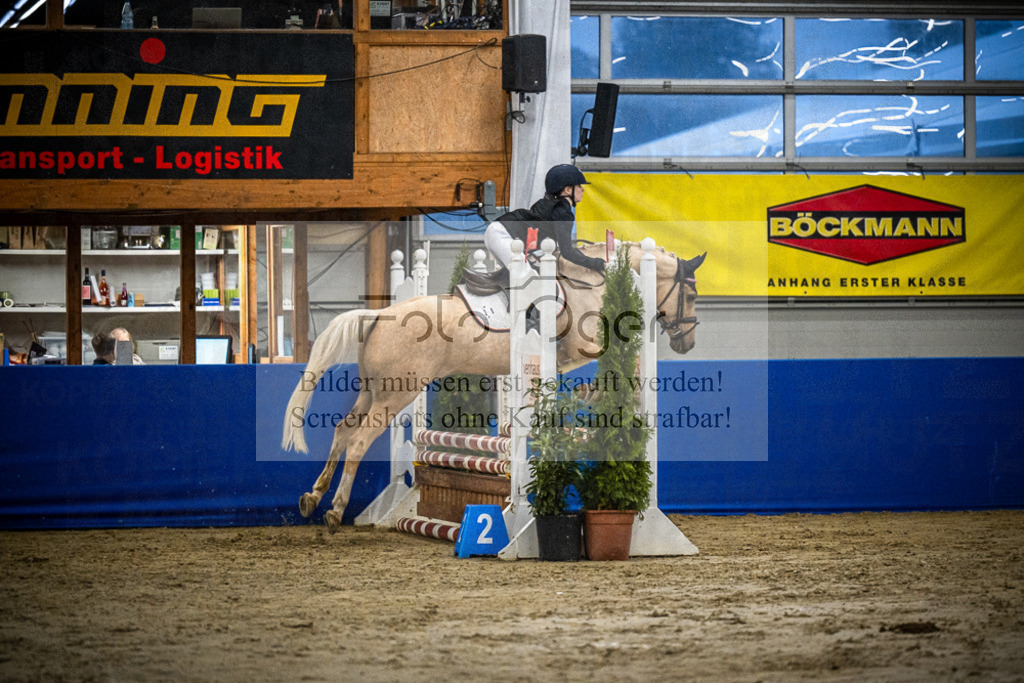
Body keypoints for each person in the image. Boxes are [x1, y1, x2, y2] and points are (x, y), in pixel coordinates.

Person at [484, 164, 606, 273]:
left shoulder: (548, 203)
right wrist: (598, 264)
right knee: (528, 278)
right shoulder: (563, 212)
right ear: (568, 189)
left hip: (498, 231)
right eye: (579, 185)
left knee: (516, 276)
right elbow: (567, 251)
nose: (582, 189)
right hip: (504, 235)